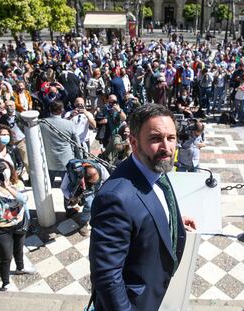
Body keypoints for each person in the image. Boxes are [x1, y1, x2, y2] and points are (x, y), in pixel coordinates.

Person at [89, 104, 196, 311]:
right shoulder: (114, 198)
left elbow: (143, 211)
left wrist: (170, 220)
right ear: (134, 142)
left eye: (171, 138)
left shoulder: (155, 166)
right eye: (155, 139)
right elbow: (107, 276)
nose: (167, 147)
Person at [0, 161, 35, 291]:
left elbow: (23, 199)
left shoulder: (18, 184)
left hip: (19, 224)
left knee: (19, 249)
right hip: (1, 229)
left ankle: (20, 268)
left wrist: (7, 188)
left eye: (4, 170)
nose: (1, 176)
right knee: (6, 257)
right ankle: (5, 283)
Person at [61, 159, 110, 236]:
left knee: (95, 203)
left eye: (95, 181)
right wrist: (71, 197)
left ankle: (95, 215)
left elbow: (108, 181)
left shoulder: (100, 168)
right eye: (92, 183)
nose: (93, 183)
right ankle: (82, 222)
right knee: (87, 204)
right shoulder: (72, 173)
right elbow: (63, 188)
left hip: (98, 187)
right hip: (80, 188)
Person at [40, 101, 82, 186]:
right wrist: (79, 159)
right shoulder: (69, 124)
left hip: (48, 161)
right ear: (62, 110)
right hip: (66, 161)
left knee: (46, 187)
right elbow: (77, 144)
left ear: (49, 109)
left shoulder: (41, 123)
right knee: (68, 188)